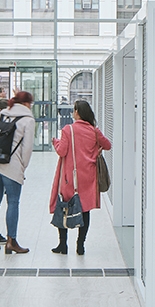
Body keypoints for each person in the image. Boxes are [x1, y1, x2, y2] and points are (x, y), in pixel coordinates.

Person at [50, 100, 113, 256]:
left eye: (74, 110)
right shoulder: (94, 130)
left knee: (64, 207)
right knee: (84, 210)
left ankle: (63, 245)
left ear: (77, 112)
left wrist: (56, 143)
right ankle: (80, 246)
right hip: (88, 177)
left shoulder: (68, 130)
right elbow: (107, 145)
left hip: (70, 177)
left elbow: (62, 151)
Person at [0, 90, 36, 255]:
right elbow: (27, 149)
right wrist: (22, 167)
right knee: (13, 202)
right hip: (11, 166)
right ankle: (11, 242)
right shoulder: (28, 120)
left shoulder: (2, 115)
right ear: (27, 103)